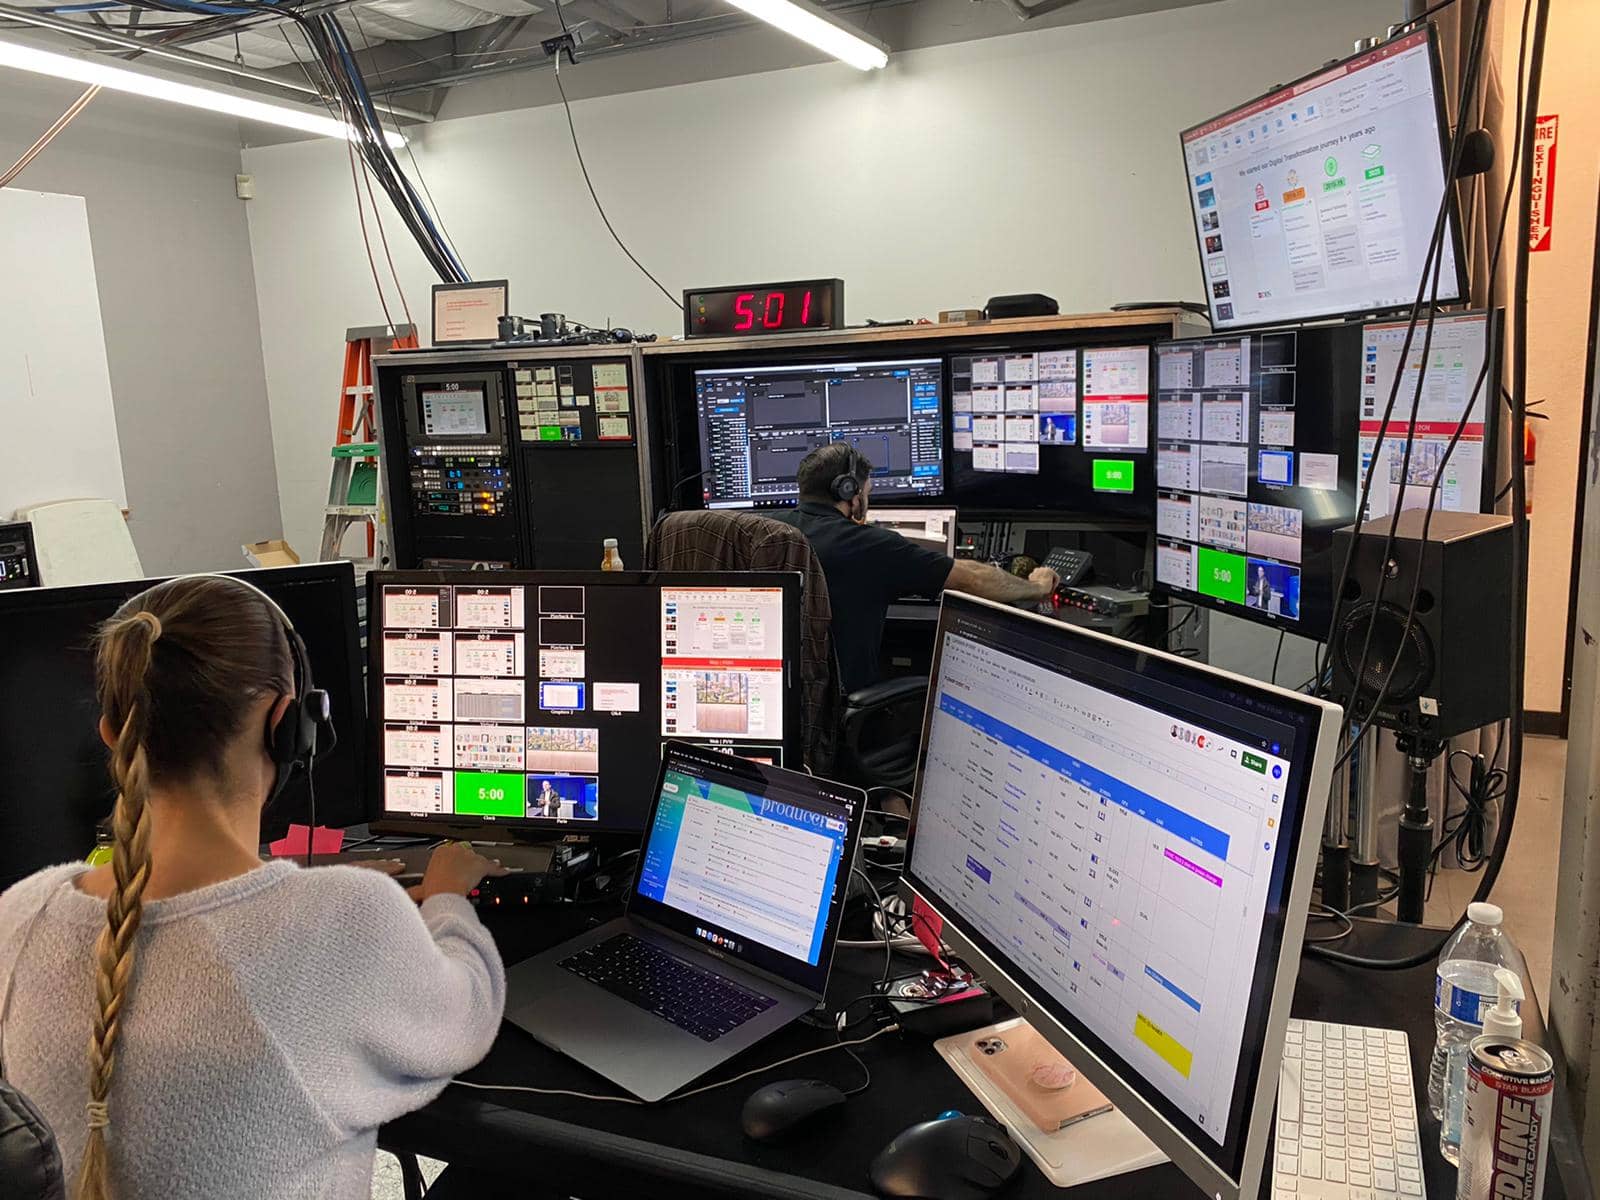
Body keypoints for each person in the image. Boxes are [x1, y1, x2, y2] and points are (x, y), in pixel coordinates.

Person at [0, 576, 507, 1200]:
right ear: (288, 724)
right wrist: (448, 896)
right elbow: (467, 1017)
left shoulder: (18, 915)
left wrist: (307, 901)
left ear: (111, 732)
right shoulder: (345, 919)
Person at [772, 444, 1059, 693]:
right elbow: (973, 579)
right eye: (867, 492)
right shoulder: (871, 545)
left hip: (773, 702)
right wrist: (1037, 587)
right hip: (838, 710)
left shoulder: (765, 530)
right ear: (849, 493)